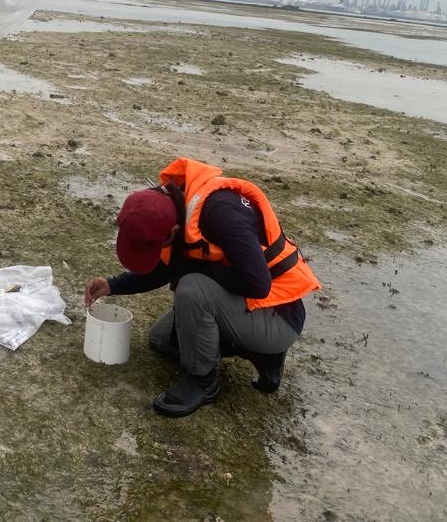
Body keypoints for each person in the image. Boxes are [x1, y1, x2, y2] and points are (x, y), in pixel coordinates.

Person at [84, 157, 320, 417]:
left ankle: (203, 381)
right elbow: (165, 268)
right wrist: (111, 285)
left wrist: (194, 270)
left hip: (278, 318)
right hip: (248, 308)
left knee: (192, 288)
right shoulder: (174, 205)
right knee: (162, 339)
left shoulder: (222, 213)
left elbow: (259, 284)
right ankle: (260, 355)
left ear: (172, 231)